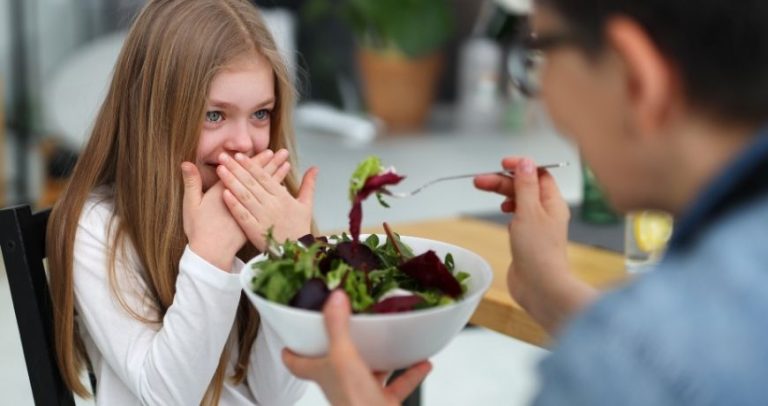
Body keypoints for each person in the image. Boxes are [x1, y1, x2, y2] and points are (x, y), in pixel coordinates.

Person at [283, 0, 768, 404]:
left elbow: (645, 363)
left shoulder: (623, 367)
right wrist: (548, 288)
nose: (544, 98)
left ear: (637, 77)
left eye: (538, 53)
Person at [47, 0, 318, 404]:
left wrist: (295, 262)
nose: (243, 143)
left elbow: (278, 393)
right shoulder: (97, 227)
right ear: (156, 116)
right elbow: (168, 397)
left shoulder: (263, 214)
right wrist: (209, 256)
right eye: (214, 116)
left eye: (260, 114)